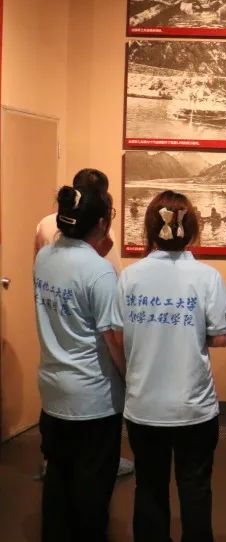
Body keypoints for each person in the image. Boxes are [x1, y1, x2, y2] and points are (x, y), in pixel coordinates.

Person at [114, 191, 226, 541]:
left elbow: (118, 335)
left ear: (150, 229)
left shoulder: (130, 277)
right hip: (193, 406)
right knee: (195, 489)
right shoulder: (207, 277)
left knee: (149, 488)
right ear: (191, 229)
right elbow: (221, 338)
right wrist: (192, 334)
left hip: (144, 405)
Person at [35, 185, 124, 542]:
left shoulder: (44, 257)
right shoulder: (100, 272)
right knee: (92, 490)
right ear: (101, 223)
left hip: (52, 393)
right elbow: (113, 339)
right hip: (92, 399)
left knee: (57, 482)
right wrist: (131, 381)